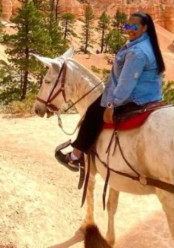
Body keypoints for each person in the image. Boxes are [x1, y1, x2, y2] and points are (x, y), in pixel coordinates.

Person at [55, 11, 166, 171]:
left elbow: (126, 84)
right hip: (152, 95)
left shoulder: (137, 52)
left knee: (93, 112)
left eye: (134, 26)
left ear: (144, 28)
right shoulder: (146, 43)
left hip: (136, 97)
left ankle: (75, 157)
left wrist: (111, 104)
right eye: (128, 25)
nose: (130, 29)